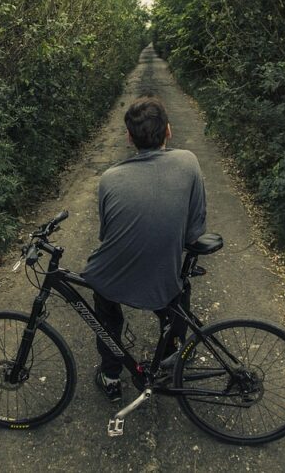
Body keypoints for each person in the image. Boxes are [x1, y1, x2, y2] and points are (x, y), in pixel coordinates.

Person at [82, 95, 207, 404]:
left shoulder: (109, 179)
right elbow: (194, 230)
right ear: (168, 131)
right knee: (176, 298)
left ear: (128, 138)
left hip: (115, 275)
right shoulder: (189, 162)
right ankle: (171, 356)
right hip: (162, 279)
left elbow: (107, 235)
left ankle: (111, 374)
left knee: (106, 312)